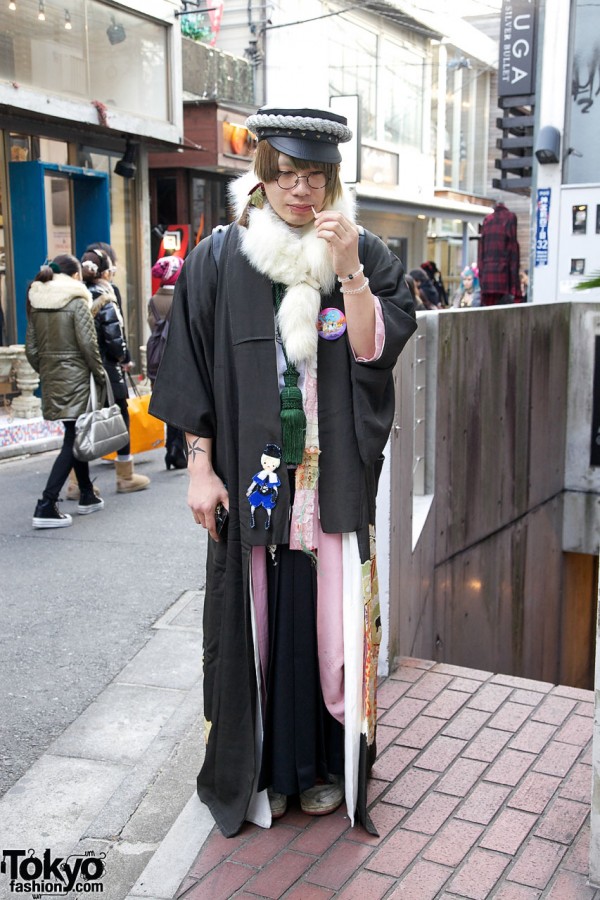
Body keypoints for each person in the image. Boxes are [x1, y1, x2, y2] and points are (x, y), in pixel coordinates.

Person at [149, 105, 417, 838]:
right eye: (287, 175)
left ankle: (326, 768)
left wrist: (353, 272)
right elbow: (191, 368)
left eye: (315, 178)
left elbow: (373, 352)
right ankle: (264, 769)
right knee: (259, 621)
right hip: (257, 475)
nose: (300, 192)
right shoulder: (218, 257)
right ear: (262, 176)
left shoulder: (358, 250)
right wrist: (201, 467)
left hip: (330, 479)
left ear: (332, 181)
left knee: (328, 628)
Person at [25, 254, 106, 528]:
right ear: (74, 276)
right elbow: (88, 344)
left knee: (75, 431)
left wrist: (48, 369)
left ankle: (86, 494)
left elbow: (31, 350)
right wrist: (100, 373)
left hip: (52, 377)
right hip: (78, 378)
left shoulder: (35, 300)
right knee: (73, 437)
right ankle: (46, 503)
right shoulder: (76, 299)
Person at [81, 247, 150, 493]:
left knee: (84, 422)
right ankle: (125, 476)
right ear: (105, 272)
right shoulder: (104, 296)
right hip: (108, 369)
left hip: (82, 371)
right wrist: (122, 357)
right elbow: (113, 337)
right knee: (120, 418)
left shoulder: (77, 295)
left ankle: (76, 483)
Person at [147, 254, 186, 469]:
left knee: (168, 403)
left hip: (157, 359)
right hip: (178, 357)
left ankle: (170, 448)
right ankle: (176, 448)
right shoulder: (181, 296)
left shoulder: (153, 300)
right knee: (181, 405)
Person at [477, 201, 521, 305]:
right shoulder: (510, 218)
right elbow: (513, 250)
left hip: (487, 278)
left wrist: (482, 277)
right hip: (504, 277)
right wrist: (515, 286)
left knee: (489, 313)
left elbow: (481, 252)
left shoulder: (487, 220)